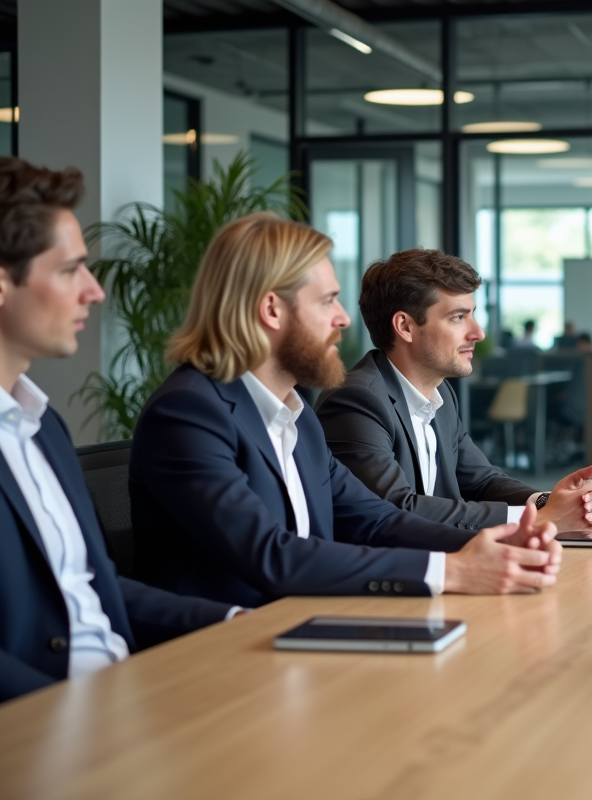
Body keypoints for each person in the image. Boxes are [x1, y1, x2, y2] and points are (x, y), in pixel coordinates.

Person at [130, 214, 561, 609]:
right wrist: (453, 570)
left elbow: (377, 520)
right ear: (271, 309)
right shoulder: (189, 411)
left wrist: (499, 541)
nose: (344, 319)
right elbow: (271, 554)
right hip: (222, 654)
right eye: (327, 301)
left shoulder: (295, 415)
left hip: (307, 626)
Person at [0, 158, 237, 703]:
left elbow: (89, 586)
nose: (95, 290)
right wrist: (78, 725)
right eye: (69, 270)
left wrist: (234, 621)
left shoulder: (42, 426)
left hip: (126, 699)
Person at [315, 248, 592, 531]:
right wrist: (537, 518)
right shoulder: (357, 400)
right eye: (458, 317)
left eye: (473, 314)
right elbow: (395, 508)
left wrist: (546, 502)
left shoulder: (440, 396)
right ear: (405, 326)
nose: (478, 333)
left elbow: (481, 481)